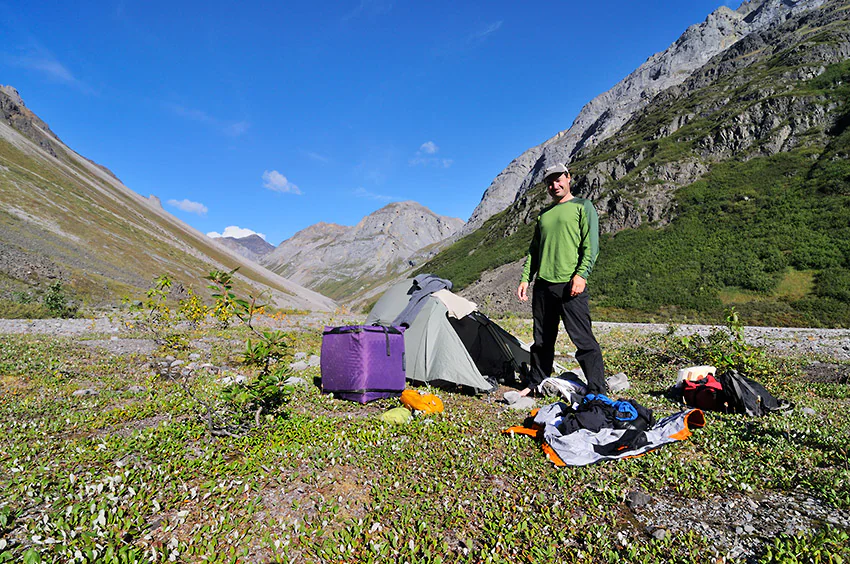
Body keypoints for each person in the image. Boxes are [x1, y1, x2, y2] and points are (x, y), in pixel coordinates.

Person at [514, 163, 607, 396]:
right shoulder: (543, 215)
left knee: (583, 339)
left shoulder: (583, 206)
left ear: (568, 178)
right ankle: (536, 382)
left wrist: (581, 275)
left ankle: (597, 389)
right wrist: (526, 278)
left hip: (570, 284)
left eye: (558, 179)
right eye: (550, 182)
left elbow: (591, 245)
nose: (554, 185)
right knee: (542, 340)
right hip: (544, 285)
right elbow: (534, 250)